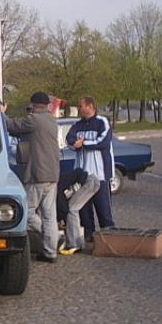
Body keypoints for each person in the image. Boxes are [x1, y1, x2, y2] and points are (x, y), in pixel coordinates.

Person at [4, 92, 60, 263]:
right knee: (50, 215)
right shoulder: (51, 120)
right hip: (53, 174)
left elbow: (11, 125)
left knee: (26, 212)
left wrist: (1, 112)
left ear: (34, 105)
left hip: (38, 174)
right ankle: (51, 251)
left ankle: (48, 235)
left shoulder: (34, 120)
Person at [65, 96, 116, 241]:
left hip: (100, 174)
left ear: (90, 106)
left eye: (81, 106)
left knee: (103, 209)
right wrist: (76, 143)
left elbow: (103, 142)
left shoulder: (102, 122)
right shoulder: (77, 125)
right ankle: (89, 235)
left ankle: (109, 236)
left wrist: (84, 143)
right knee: (84, 209)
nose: (79, 109)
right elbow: (70, 139)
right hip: (82, 175)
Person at [56, 168, 100, 255]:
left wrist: (59, 220)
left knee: (71, 210)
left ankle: (73, 244)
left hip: (89, 182)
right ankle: (78, 243)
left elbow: (63, 208)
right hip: (93, 180)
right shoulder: (61, 180)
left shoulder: (58, 190)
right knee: (74, 209)